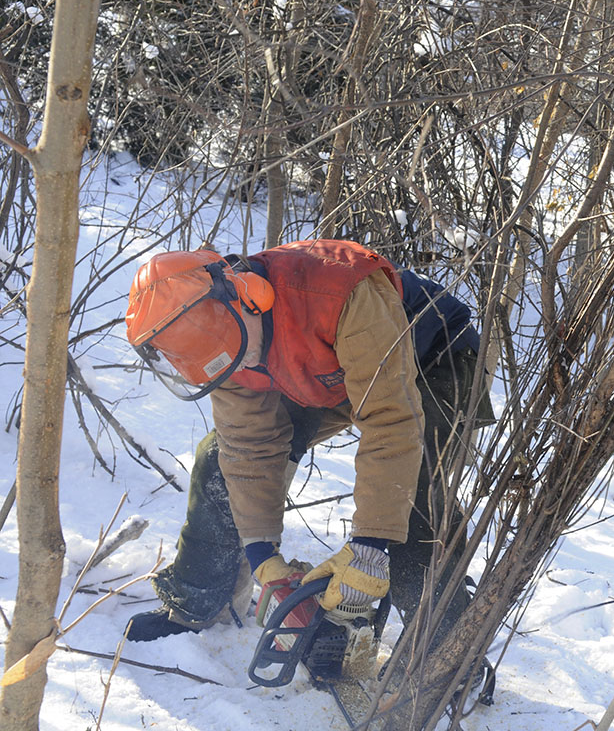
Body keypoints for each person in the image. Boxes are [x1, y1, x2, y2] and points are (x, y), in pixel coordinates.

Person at [122, 238, 492, 644]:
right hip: (323, 372)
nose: (238, 366)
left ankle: (447, 649)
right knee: (218, 459)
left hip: (435, 356)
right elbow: (248, 448)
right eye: (222, 361)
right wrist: (264, 556)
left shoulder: (337, 290)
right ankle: (196, 602)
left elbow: (390, 421)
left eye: (236, 351)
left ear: (248, 297)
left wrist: (369, 544)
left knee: (412, 494)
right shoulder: (224, 351)